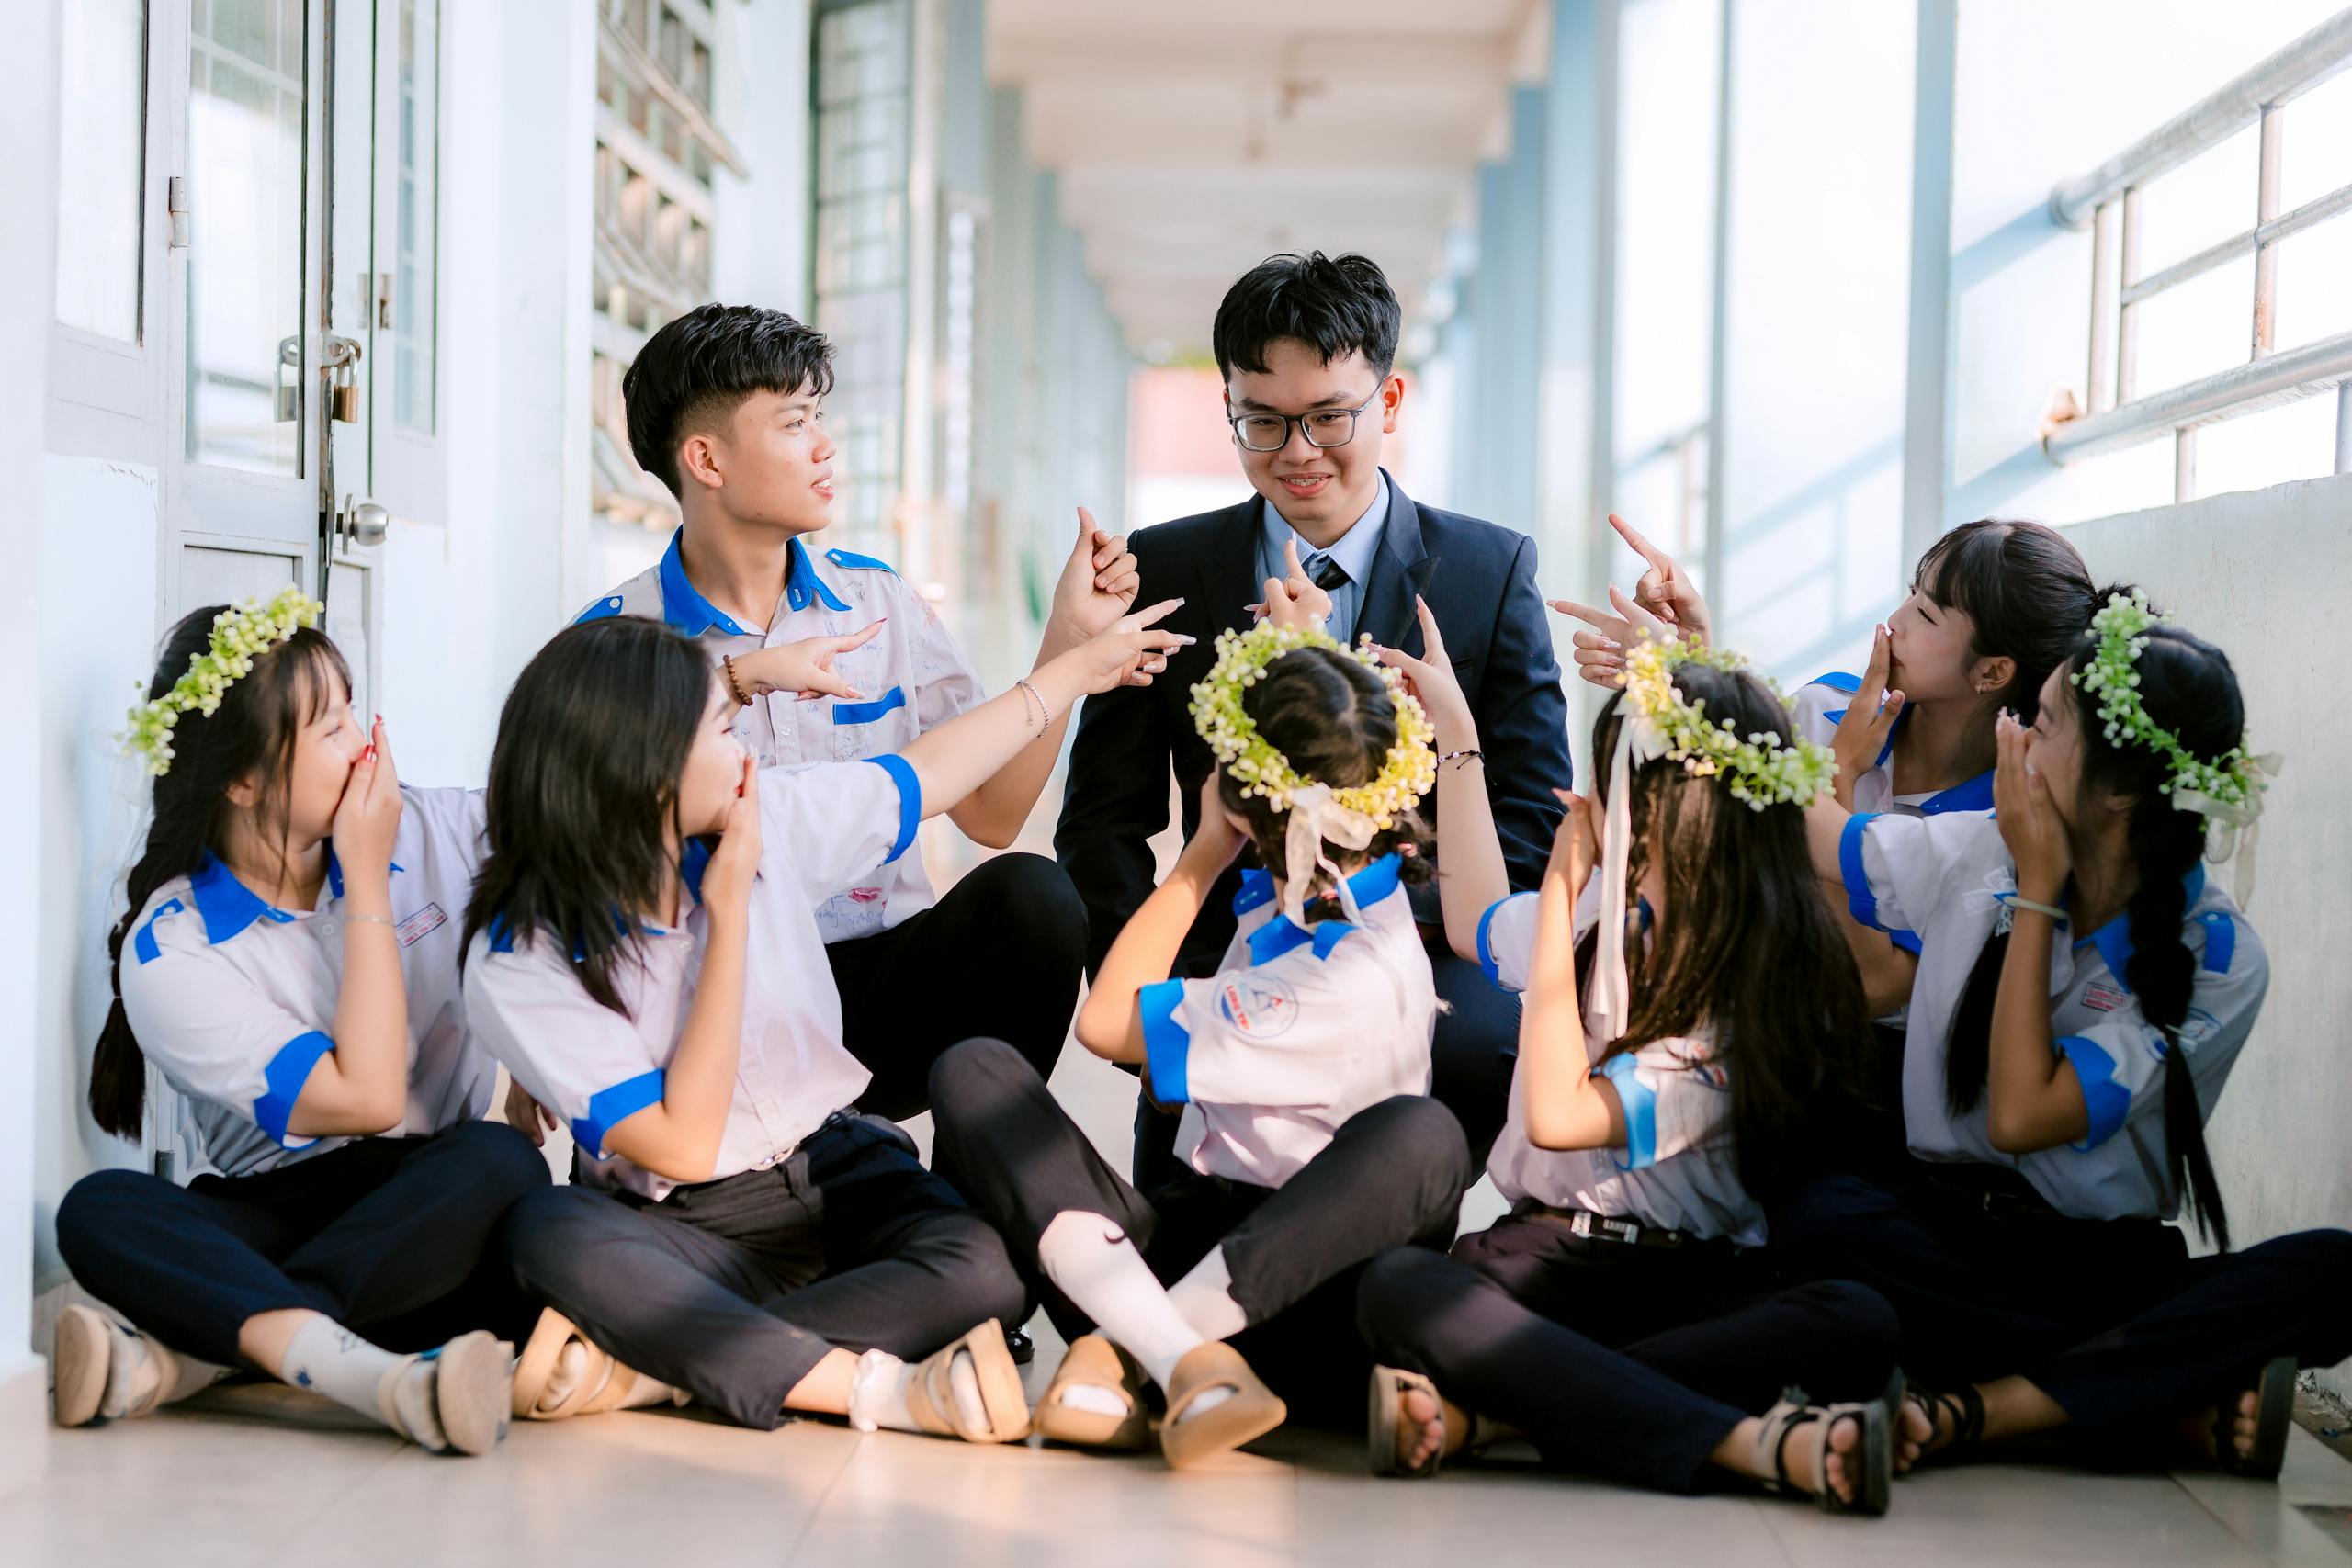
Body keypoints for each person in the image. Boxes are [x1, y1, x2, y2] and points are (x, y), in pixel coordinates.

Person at [464, 606, 1187, 1438]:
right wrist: (728, 913)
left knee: (987, 1272)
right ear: (648, 767)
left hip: (831, 1167)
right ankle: (856, 1381)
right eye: (721, 728)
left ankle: (652, 1367)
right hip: (679, 1220)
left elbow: (930, 772)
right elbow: (686, 1144)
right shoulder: (520, 954)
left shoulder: (763, 811)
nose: (744, 751)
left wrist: (1075, 666)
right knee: (548, 1234)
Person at [1781, 591, 2352, 1479]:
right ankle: (2148, 1398)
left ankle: (1985, 1406)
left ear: (2120, 790)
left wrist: (2040, 890)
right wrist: (1709, 687)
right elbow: (1829, 840)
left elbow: (2019, 1114)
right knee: (1810, 1210)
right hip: (1935, 1227)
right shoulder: (1979, 844)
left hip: (2085, 1261)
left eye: (2042, 724)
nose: (2012, 738)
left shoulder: (2220, 956)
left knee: (2334, 1270)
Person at [1353, 614, 1912, 1512]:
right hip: (1541, 1259)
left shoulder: (1751, 982)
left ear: (1650, 812)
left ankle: (1499, 1418)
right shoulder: (1593, 918)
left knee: (1856, 1320)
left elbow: (1559, 1115)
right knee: (1398, 1286)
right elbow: (1472, 916)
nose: (1581, 800)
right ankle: (1740, 1439)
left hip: (1686, 1278)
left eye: (1601, 777)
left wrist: (1563, 898)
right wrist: (1456, 738)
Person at [1056, 250, 1571, 1181]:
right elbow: (1101, 818)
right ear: (1229, 408)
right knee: (1182, 1202)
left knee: (1450, 1081)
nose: (1296, 451)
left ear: (1392, 401)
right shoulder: (1167, 569)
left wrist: (1365, 932)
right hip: (1220, 957)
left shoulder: (1487, 573)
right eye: (1262, 420)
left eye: (1329, 416)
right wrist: (1147, 969)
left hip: (1418, 952)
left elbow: (1530, 814)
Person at [582, 301, 1146, 1121]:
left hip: (880, 985)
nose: (825, 445)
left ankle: (978, 1196)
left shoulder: (874, 601)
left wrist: (1068, 640)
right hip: (719, 1004)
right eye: (793, 422)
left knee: (1035, 897)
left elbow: (992, 813)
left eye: (820, 417)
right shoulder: (616, 643)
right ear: (706, 459)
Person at [931, 618, 1468, 1467]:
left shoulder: (1345, 970)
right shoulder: (1330, 886)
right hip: (1178, 1241)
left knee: (1421, 1133)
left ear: (1245, 800)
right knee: (975, 1070)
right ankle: (1178, 1360)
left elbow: (1106, 1021)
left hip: (1303, 1293)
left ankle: (1133, 1353)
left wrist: (1200, 857)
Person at [51, 592, 548, 1456]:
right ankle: (386, 1378)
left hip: (431, 1207)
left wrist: (543, 1049)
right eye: (327, 728)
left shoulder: (443, 828)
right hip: (282, 1204)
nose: (363, 743)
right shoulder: (174, 949)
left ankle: (196, 1356)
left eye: (353, 709)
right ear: (242, 780)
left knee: (504, 1164)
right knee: (99, 1209)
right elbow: (366, 1096)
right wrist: (365, 874)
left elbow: (585, 859)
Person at [1563, 514, 2101, 1149]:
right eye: (1911, 592)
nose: (1894, 621)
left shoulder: (1997, 822)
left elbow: (1868, 987)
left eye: (1927, 616)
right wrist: (1690, 666)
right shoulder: (1826, 706)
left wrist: (1838, 773)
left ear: (1992, 673)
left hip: (1860, 1093)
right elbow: (1720, 824)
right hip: (1734, 1040)